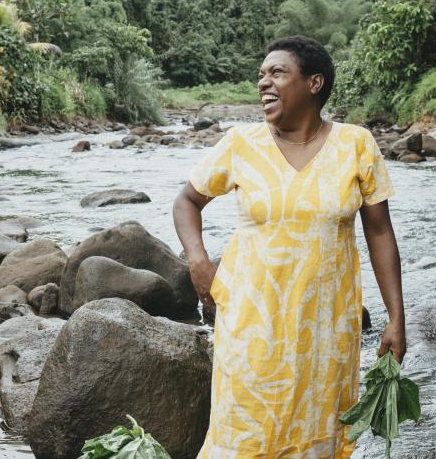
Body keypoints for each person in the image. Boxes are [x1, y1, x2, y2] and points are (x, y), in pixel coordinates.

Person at [172, 36, 405, 458]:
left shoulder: (356, 144)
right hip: (251, 326)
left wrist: (395, 317)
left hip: (327, 330)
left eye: (277, 73)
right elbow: (187, 201)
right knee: (244, 436)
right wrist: (197, 261)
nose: (264, 82)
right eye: (261, 75)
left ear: (314, 83)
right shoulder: (242, 144)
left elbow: (380, 232)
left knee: (318, 436)